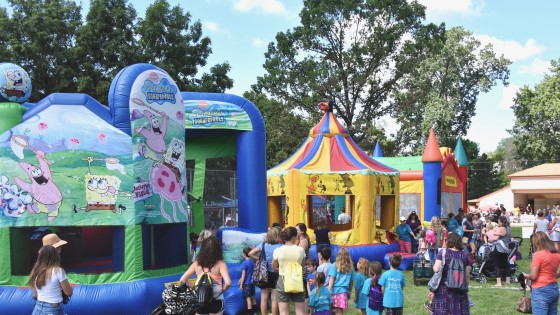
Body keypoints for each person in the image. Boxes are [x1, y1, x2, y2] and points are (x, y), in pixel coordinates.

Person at [179, 236, 231, 315]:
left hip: (201, 299)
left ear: (203, 249)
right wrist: (223, 290)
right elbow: (228, 283)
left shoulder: (196, 264)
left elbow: (182, 280)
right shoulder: (221, 264)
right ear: (218, 250)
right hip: (216, 300)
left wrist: (194, 286)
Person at [428, 233, 471, 315]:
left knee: (443, 310)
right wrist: (466, 284)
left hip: (444, 288)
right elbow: (467, 273)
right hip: (460, 288)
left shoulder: (443, 252)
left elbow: (436, 269)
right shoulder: (465, 254)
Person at [523, 231, 560, 315]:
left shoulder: (538, 254)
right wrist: (555, 275)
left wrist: (525, 275)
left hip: (541, 289)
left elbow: (533, 276)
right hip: (554, 288)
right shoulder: (556, 253)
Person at [29, 245, 73, 315]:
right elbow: (69, 293)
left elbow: (35, 295)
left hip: (39, 307)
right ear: (55, 257)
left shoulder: (36, 272)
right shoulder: (58, 271)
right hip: (52, 309)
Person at [273, 226, 306, 315]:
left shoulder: (278, 250)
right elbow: (303, 266)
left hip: (283, 279)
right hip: (297, 279)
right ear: (294, 237)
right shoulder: (300, 250)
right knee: (300, 311)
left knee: (284, 312)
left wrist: (279, 269)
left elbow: (274, 266)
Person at [249, 227, 282, 315]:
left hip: (263, 273)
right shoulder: (281, 247)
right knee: (274, 298)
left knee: (264, 297)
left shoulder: (263, 245)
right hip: (276, 272)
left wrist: (260, 259)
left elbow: (250, 253)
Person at [328, 247, 355, 315]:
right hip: (343, 292)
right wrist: (349, 291)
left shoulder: (334, 265)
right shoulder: (351, 267)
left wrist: (329, 290)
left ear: (338, 256)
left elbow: (332, 278)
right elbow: (351, 282)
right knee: (339, 311)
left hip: (334, 291)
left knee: (331, 309)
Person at [488, 216, 511, 286]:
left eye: (498, 221)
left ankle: (499, 282)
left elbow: (495, 238)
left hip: (498, 248)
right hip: (505, 248)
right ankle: (508, 280)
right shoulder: (508, 228)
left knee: (496, 264)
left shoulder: (500, 228)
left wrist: (489, 240)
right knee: (506, 264)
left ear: (500, 222)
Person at [296, 223, 311, 314]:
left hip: (302, 268)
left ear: (302, 231)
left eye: (297, 230)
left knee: (304, 291)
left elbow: (299, 254)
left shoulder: (304, 240)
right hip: (298, 268)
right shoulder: (298, 240)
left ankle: (305, 311)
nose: (295, 231)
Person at [239, 247, 256, 315]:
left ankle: (250, 313)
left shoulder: (244, 263)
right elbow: (249, 273)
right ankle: (254, 312)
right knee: (252, 296)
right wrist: (240, 280)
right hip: (252, 283)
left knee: (248, 298)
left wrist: (241, 284)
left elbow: (244, 275)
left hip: (247, 284)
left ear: (244, 254)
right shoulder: (252, 262)